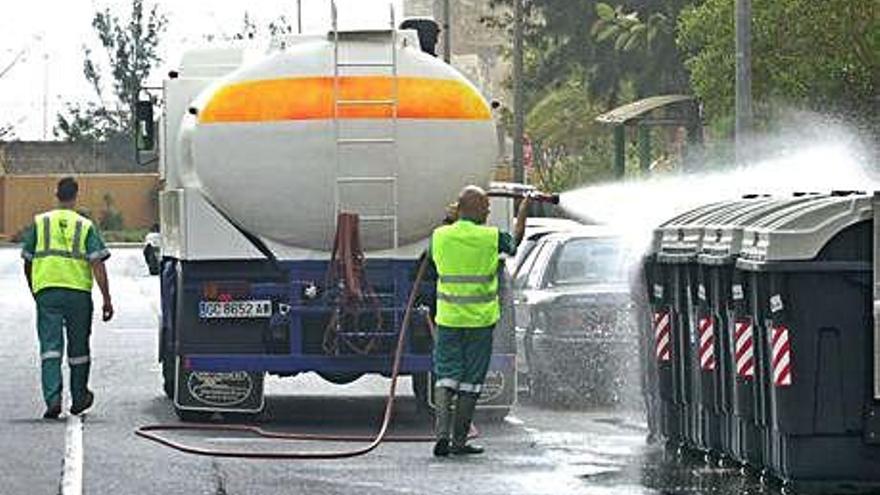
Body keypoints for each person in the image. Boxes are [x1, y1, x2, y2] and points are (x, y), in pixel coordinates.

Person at [429, 185, 529, 456]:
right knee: (471, 381)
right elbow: (515, 242)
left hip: (448, 320)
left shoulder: (439, 236)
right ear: (477, 211)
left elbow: (432, 261)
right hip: (479, 323)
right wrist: (523, 210)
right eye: (485, 208)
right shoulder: (491, 237)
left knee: (446, 376)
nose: (488, 212)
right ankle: (459, 442)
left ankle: (441, 435)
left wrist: (453, 217)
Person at [21, 177, 114, 419]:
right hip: (78, 295)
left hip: (47, 293)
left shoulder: (40, 223)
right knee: (79, 348)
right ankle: (79, 397)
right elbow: (97, 264)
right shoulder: (85, 226)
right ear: (75, 195)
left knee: (50, 349)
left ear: (56, 194)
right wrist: (107, 298)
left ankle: (53, 399)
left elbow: (27, 260)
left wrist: (35, 289)